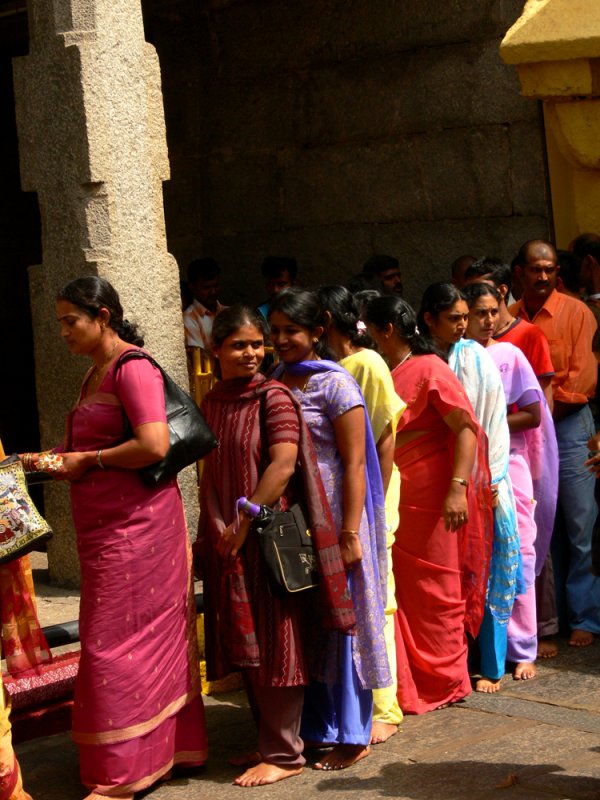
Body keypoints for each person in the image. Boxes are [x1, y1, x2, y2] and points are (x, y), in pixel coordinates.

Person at [42, 276, 207, 800]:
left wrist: (87, 460)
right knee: (119, 639)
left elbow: (154, 443)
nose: (64, 331)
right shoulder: (94, 374)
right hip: (105, 529)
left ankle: (122, 775)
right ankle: (160, 753)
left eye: (72, 321)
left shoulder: (132, 367)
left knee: (114, 643)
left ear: (104, 316)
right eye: (60, 322)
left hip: (138, 531)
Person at [195, 305, 354, 787]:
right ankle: (266, 739)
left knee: (277, 638)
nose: (250, 354)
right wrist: (219, 522)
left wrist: (244, 521)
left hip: (267, 534)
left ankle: (286, 753)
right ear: (215, 350)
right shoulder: (215, 401)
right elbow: (211, 472)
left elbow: (283, 465)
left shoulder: (275, 397)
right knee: (245, 639)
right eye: (238, 345)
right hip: (228, 536)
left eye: (256, 344)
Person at [269, 288, 390, 771]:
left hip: (339, 514)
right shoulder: (277, 379)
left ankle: (354, 732)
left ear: (318, 331)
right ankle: (317, 727)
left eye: (290, 331)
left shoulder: (335, 386)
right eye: (274, 331)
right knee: (311, 619)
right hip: (297, 518)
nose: (280, 340)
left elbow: (357, 462)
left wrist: (350, 532)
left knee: (347, 618)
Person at [363, 295, 492, 713]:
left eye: (370, 330)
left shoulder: (430, 368)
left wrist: (458, 487)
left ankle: (448, 680)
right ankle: (410, 683)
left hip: (435, 497)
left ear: (387, 330)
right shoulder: (382, 370)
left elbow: (467, 428)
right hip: (397, 495)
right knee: (403, 592)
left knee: (439, 589)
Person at [419, 282, 520, 693]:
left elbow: (490, 424)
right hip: (435, 482)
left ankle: (492, 667)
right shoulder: (424, 359)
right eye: (455, 318)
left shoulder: (475, 356)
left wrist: (489, 479)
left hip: (479, 480)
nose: (464, 326)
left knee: (488, 568)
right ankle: (454, 665)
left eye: (467, 317)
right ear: (430, 320)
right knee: (449, 577)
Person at [317, 285, 406, 744]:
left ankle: (385, 708)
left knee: (377, 601)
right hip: (344, 504)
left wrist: (373, 506)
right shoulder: (327, 369)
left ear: (326, 318)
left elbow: (384, 440)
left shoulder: (367, 363)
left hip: (369, 501)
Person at [463, 282, 559, 682]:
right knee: (475, 559)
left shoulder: (509, 354)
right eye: (477, 314)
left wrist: (489, 425)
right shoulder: (454, 358)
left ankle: (523, 649)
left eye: (492, 311)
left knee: (518, 552)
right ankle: (484, 653)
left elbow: (534, 414)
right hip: (467, 466)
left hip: (510, 462)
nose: (487, 321)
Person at [510, 239, 600, 648]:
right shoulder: (507, 318)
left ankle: (587, 617)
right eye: (534, 269)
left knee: (581, 525)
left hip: (566, 428)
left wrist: (540, 420)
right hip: (525, 433)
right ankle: (553, 619)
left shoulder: (575, 312)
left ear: (557, 273)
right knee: (542, 527)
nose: (542, 275)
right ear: (520, 273)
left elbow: (581, 382)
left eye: (548, 269)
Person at [183, 257, 227, 349]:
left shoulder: (229, 313)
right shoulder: (189, 319)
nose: (213, 292)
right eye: (206, 288)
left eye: (216, 286)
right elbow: (199, 356)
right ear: (192, 287)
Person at [256, 257, 297, 321]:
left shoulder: (306, 311)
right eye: (270, 283)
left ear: (293, 284)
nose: (275, 290)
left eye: (281, 284)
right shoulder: (259, 314)